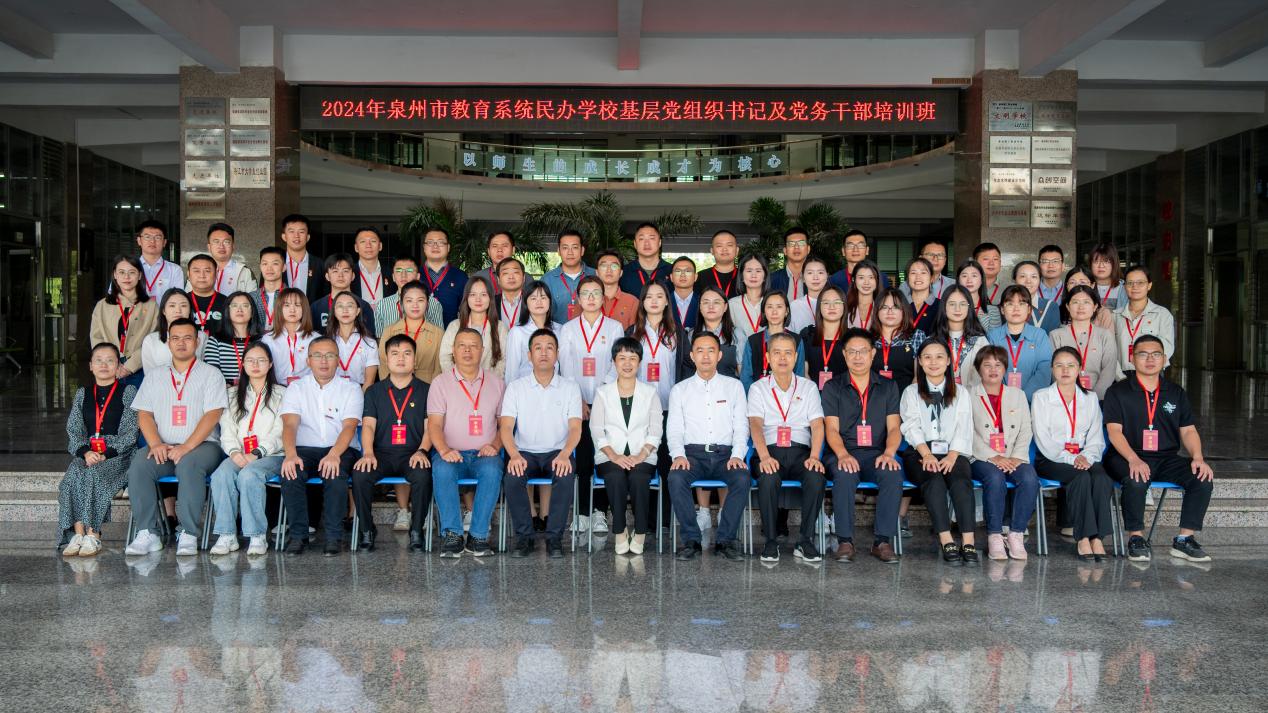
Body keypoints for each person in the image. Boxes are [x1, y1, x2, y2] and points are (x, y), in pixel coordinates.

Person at [1103, 335, 1214, 563]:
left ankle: (1184, 539)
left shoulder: (1175, 392)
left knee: (1201, 477)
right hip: (1126, 456)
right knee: (1136, 479)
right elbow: (1114, 432)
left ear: (1164, 359)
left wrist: (1198, 457)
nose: (1150, 359)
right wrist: (1133, 459)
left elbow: (1188, 431)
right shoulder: (1118, 391)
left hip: (1166, 458)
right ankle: (1136, 538)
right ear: (1132, 358)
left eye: (1156, 354)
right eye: (1143, 354)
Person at [124, 318, 228, 557]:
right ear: (168, 342)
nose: (181, 343)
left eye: (187, 338)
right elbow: (144, 415)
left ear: (197, 341)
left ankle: (189, 533)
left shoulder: (211, 374)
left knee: (189, 464)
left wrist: (187, 447)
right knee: (140, 465)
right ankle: (148, 533)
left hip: (203, 447)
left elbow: (213, 415)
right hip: (164, 446)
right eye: (176, 338)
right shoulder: (155, 376)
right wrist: (155, 444)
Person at [666, 332, 751, 561]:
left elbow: (741, 426)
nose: (705, 356)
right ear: (692, 355)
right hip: (692, 455)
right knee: (676, 478)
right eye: (700, 351)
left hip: (725, 456)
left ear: (719, 355)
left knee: (742, 477)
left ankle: (725, 540)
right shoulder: (680, 390)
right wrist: (678, 455)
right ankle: (691, 540)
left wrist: (737, 455)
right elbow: (674, 429)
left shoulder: (733, 387)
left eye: (711, 350)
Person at [822, 328, 903, 563]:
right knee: (844, 474)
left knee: (892, 473)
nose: (858, 357)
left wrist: (889, 453)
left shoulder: (888, 386)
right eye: (852, 352)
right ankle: (845, 541)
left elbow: (894, 428)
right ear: (844, 355)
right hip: (842, 452)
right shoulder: (833, 387)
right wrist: (842, 454)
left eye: (863, 351)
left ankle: (882, 542)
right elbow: (831, 429)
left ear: (873, 354)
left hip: (877, 453)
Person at [501, 329, 584, 558]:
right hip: (524, 453)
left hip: (558, 452)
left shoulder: (570, 387)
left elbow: (575, 428)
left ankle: (554, 538)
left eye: (549, 348)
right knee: (513, 476)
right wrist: (514, 455)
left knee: (565, 474)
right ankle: (524, 537)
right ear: (529, 355)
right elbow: (506, 427)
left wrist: (566, 454)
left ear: (557, 354)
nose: (544, 353)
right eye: (538, 348)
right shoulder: (516, 387)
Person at [278, 337, 363, 556]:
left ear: (338, 360)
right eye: (317, 355)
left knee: (334, 473)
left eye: (330, 355)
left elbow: (349, 426)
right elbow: (290, 424)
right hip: (305, 449)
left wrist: (334, 454)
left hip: (341, 448)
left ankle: (334, 537)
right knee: (290, 472)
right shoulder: (296, 388)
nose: (323, 361)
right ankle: (298, 535)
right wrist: (290, 455)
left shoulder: (351, 388)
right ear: (308, 360)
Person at [426, 328, 507, 557]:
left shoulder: (497, 383)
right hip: (451, 453)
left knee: (492, 470)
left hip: (484, 454)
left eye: (473, 346)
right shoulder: (440, 383)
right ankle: (453, 534)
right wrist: (444, 450)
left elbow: (505, 425)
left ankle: (478, 536)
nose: (467, 351)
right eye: (462, 345)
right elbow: (434, 425)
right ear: (453, 350)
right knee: (442, 469)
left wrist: (495, 445)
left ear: (482, 350)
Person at [748, 332, 826, 564]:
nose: (782, 358)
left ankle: (805, 540)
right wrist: (764, 457)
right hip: (769, 451)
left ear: (796, 357)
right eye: (777, 353)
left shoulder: (808, 387)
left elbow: (817, 425)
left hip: (801, 452)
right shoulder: (758, 388)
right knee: (768, 478)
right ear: (768, 357)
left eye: (788, 353)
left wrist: (815, 457)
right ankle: (771, 541)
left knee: (816, 477)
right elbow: (755, 425)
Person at [899, 340, 978, 565]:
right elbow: (910, 426)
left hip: (953, 450)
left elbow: (964, 425)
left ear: (949, 361)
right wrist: (926, 454)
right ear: (920, 362)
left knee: (961, 481)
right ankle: (946, 539)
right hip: (920, 451)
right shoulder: (911, 392)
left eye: (939, 357)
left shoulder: (961, 392)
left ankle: (968, 540)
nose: (933, 362)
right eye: (927, 357)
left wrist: (953, 455)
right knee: (933, 480)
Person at [353, 334, 434, 552]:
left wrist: (422, 451)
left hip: (413, 453)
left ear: (415, 359)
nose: (401, 358)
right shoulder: (374, 391)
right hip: (381, 454)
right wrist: (367, 453)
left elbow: (431, 428)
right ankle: (367, 530)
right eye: (395, 353)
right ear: (386, 359)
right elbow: (368, 426)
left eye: (407, 353)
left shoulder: (427, 390)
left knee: (422, 475)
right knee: (360, 475)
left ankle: (416, 530)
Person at [1031, 347, 1113, 561]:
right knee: (1081, 477)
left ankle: (1098, 537)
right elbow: (1043, 439)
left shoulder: (1090, 398)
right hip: (1051, 458)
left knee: (1102, 478)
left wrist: (1087, 457)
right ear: (1052, 369)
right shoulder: (1041, 397)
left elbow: (1096, 437)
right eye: (1059, 365)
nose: (1065, 370)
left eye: (1071, 365)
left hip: (1085, 456)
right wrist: (1073, 458)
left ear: (1079, 369)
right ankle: (1084, 537)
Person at [558, 276, 625, 533]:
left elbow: (616, 365)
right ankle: (582, 513)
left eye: (596, 292)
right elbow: (566, 368)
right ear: (578, 298)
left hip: (606, 403)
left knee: (604, 458)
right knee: (583, 459)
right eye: (585, 293)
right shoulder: (568, 329)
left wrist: (599, 399)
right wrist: (579, 401)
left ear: (603, 297)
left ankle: (599, 512)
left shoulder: (615, 327)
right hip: (578, 405)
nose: (591, 297)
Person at [58, 344, 139, 557]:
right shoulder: (82, 393)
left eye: (110, 360)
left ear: (118, 366)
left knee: (93, 474)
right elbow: (74, 429)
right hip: (88, 452)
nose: (104, 365)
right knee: (71, 477)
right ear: (91, 366)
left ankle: (93, 534)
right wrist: (85, 452)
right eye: (99, 360)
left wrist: (106, 454)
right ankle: (78, 534)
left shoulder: (128, 391)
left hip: (118, 455)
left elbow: (131, 431)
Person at [207, 342, 285, 557]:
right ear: (243, 364)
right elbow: (227, 430)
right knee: (221, 474)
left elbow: (281, 431)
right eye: (250, 360)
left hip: (273, 455)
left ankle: (257, 535)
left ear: (270, 364)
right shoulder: (232, 394)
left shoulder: (282, 393)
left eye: (261, 360)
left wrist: (257, 453)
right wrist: (234, 452)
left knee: (250, 475)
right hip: (239, 454)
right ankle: (227, 534)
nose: (255, 365)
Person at [591, 337, 663, 556]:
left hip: (643, 454)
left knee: (639, 478)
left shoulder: (650, 392)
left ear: (639, 362)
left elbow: (655, 430)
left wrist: (641, 454)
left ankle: (640, 532)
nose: (627, 363)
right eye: (622, 358)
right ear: (614, 362)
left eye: (633, 358)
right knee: (615, 476)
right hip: (609, 455)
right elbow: (596, 430)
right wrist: (614, 456)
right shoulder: (602, 393)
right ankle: (620, 531)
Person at [968, 346, 1038, 561]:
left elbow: (1026, 429)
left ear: (1005, 368)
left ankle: (1016, 533)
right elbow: (966, 432)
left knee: (1029, 478)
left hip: (1013, 455)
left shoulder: (1017, 395)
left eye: (998, 365)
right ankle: (995, 535)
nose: (993, 370)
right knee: (995, 477)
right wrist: (993, 456)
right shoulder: (968, 395)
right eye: (987, 365)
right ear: (978, 369)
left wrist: (1016, 457)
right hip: (981, 456)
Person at [90, 255, 157, 386]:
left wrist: (130, 366)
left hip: (139, 367)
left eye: (132, 272)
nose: (126, 277)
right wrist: (109, 361)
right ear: (115, 275)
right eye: (121, 272)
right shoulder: (102, 305)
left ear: (139, 275)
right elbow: (96, 338)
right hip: (109, 368)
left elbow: (153, 340)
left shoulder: (151, 306)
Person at [1049, 285, 1120, 399]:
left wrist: (1094, 398)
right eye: (1075, 302)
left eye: (1086, 302)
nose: (1081, 307)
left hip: (1098, 399)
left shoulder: (1105, 335)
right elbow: (1053, 371)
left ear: (1095, 306)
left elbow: (1109, 371)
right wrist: (1067, 395)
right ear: (1068, 306)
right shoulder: (1056, 335)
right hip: (1064, 398)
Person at [986, 285, 1054, 401]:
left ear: (1029, 309)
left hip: (1033, 401)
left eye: (1022, 304)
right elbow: (988, 370)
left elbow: (1044, 371)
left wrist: (1023, 397)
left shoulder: (1040, 335)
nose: (1016, 309)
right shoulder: (992, 336)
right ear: (1002, 309)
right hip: (999, 402)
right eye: (1010, 304)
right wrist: (1004, 397)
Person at [439, 275, 508, 377]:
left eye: (483, 294)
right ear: (466, 298)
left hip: (490, 384)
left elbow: (503, 360)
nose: (478, 299)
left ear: (490, 298)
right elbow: (445, 357)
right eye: (473, 294)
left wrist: (489, 382)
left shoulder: (500, 327)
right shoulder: (455, 326)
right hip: (458, 383)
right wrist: (458, 380)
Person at [377, 281, 444, 383]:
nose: (415, 305)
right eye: (409, 301)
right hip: (395, 388)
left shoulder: (438, 333)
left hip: (428, 386)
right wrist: (390, 388)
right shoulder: (389, 331)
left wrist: (432, 390)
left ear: (427, 303)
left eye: (420, 300)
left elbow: (439, 368)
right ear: (402, 303)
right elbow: (383, 365)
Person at [1114, 265, 1175, 374]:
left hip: (1152, 374)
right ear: (1124, 286)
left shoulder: (1162, 314)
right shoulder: (1115, 316)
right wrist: (1119, 377)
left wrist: (1150, 371)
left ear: (1149, 285)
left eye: (1140, 283)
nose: (1135, 287)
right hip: (1121, 375)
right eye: (1130, 283)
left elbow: (1167, 348)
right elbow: (1110, 351)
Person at [739, 291, 805, 391]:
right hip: (758, 397)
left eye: (779, 307)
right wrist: (755, 397)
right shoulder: (753, 341)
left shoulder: (797, 340)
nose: (774, 312)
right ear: (764, 311)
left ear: (786, 311)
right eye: (769, 307)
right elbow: (746, 378)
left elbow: (799, 375)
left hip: (788, 396)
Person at [931, 285, 989, 389]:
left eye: (962, 304)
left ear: (969, 307)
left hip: (973, 397)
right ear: (944, 307)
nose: (957, 309)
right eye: (952, 304)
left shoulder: (981, 341)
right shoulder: (932, 341)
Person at [260, 287, 320, 385]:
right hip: (277, 389)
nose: (292, 310)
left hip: (307, 389)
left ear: (304, 309)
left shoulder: (315, 339)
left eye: (297, 305)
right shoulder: (268, 339)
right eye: (287, 305)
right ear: (279, 308)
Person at [505, 282, 561, 382]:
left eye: (543, 298)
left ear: (550, 301)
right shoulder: (517, 332)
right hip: (525, 388)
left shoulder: (560, 330)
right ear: (526, 303)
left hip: (555, 387)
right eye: (533, 298)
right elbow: (511, 370)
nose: (539, 302)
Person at [202, 291, 261, 386]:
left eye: (245, 306)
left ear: (252, 312)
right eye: (234, 306)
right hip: (224, 391)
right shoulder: (215, 341)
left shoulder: (261, 341)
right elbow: (212, 374)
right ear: (227, 311)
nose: (239, 309)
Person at [374, 256, 446, 334]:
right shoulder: (382, 305)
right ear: (393, 277)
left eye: (409, 270)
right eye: (399, 270)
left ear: (418, 276)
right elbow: (379, 338)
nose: (403, 275)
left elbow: (439, 336)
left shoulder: (433, 304)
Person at [141, 289, 206, 374]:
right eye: (172, 306)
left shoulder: (202, 337)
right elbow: (150, 376)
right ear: (163, 311)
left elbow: (207, 371)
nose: (178, 310)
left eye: (183, 306)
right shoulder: (150, 340)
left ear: (190, 310)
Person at [871, 287, 926, 386]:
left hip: (906, 393)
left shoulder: (916, 336)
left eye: (895, 307)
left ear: (904, 310)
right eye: (884, 307)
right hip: (873, 394)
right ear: (877, 311)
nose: (890, 312)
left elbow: (919, 377)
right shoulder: (868, 338)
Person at [541, 230, 596, 324]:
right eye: (565, 248)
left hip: (591, 332)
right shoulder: (547, 280)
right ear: (559, 251)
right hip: (557, 332)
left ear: (582, 250)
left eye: (575, 247)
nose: (570, 252)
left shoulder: (595, 275)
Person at [311, 253, 373, 333]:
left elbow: (369, 337)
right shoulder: (316, 307)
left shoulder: (363, 306)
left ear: (353, 276)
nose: (340, 275)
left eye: (345, 271)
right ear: (327, 276)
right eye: (335, 271)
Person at [328, 291, 379, 388]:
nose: (345, 310)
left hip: (360, 391)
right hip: (331, 391)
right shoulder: (327, 342)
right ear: (334, 311)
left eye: (350, 306)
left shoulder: (369, 343)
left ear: (357, 311)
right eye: (340, 306)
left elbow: (369, 381)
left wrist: (359, 397)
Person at [801, 286, 847, 390]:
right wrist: (814, 395)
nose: (832, 307)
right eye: (826, 303)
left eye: (837, 302)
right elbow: (804, 372)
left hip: (845, 396)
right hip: (813, 395)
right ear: (819, 307)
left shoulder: (853, 337)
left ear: (844, 306)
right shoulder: (807, 335)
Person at [421, 227, 470, 325]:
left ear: (448, 248)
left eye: (440, 242)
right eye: (430, 242)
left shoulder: (461, 277)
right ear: (424, 248)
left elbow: (467, 310)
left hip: (451, 332)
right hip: (419, 333)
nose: (435, 246)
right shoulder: (415, 275)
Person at [690, 286, 740, 378]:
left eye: (716, 302)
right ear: (700, 307)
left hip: (729, 386)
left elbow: (742, 372)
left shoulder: (737, 334)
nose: (711, 307)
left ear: (725, 307)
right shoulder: (691, 335)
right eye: (706, 302)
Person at [198, 223, 257, 296]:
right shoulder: (197, 271)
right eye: (216, 242)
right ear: (209, 247)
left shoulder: (245, 272)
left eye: (226, 242)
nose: (221, 246)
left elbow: (253, 299)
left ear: (233, 246)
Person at [280, 213, 327, 302]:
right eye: (291, 231)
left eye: (301, 232)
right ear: (284, 236)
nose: (296, 236)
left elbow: (326, 296)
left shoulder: (319, 265)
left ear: (308, 237)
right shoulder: (275, 264)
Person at [134, 219, 184, 303]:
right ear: (139, 241)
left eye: (157, 237)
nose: (152, 241)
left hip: (163, 312)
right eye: (147, 237)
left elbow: (178, 299)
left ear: (164, 242)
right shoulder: (129, 268)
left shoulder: (175, 270)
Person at [471, 231, 533, 295]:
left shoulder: (527, 278)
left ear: (513, 250)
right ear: (489, 251)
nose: (499, 250)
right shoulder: (478, 277)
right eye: (495, 246)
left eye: (505, 246)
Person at [619, 222, 672, 296]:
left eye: (652, 238)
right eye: (641, 239)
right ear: (635, 244)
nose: (647, 243)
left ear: (659, 242)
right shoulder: (624, 273)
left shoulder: (671, 271)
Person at [729, 254, 769, 344]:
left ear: (765, 276)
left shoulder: (773, 303)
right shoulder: (732, 305)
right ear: (741, 276)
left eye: (758, 271)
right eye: (749, 271)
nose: (753, 275)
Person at [593, 250, 639, 329]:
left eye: (614, 266)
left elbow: (636, 333)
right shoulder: (585, 299)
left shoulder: (633, 302)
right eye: (604, 266)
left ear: (621, 273)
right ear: (597, 272)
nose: (609, 270)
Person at [350, 227, 394, 307]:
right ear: (356, 248)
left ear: (380, 246)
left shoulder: (390, 273)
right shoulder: (349, 274)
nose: (368, 245)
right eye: (363, 241)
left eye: (373, 241)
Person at [1013, 260, 1060, 333]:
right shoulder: (1006, 306)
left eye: (1033, 277)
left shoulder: (1051, 306)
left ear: (1040, 280)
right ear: (1015, 280)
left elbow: (1053, 336)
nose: (1028, 281)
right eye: (1023, 276)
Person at [186, 253, 228, 334]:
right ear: (188, 274)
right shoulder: (182, 301)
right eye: (196, 271)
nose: (202, 275)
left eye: (207, 271)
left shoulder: (227, 303)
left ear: (216, 274)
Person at [956, 259, 1002, 331]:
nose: (969, 280)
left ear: (981, 280)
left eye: (974, 276)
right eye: (964, 276)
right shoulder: (951, 307)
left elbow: (994, 337)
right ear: (958, 280)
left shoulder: (992, 311)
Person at [787, 256, 830, 332]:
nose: (815, 277)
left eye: (820, 272)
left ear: (827, 276)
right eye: (810, 273)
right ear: (803, 278)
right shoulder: (795, 306)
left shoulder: (836, 304)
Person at [900, 257, 941, 334]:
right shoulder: (899, 305)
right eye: (913, 273)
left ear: (932, 278)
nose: (918, 277)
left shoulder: (941, 305)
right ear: (908, 278)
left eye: (923, 273)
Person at [768, 228, 811, 299]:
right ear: (785, 251)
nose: (796, 247)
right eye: (791, 244)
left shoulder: (818, 280)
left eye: (801, 243)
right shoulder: (772, 279)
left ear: (808, 249)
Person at [252, 246, 287, 333]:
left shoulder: (292, 296)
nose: (269, 268)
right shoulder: (251, 297)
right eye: (265, 264)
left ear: (284, 267)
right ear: (260, 267)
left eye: (275, 264)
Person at [697, 230, 741, 298]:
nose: (724, 249)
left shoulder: (745, 276)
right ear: (712, 251)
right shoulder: (700, 277)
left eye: (729, 245)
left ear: (737, 250)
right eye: (719, 246)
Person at [844, 260, 882, 330]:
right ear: (853, 279)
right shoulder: (845, 307)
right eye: (861, 277)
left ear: (877, 280)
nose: (866, 282)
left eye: (871, 277)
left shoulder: (883, 307)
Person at [493, 257, 529, 327]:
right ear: (498, 279)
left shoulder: (532, 301)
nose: (511, 277)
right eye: (505, 273)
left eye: (516, 272)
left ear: (524, 278)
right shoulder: (491, 302)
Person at [1089, 243, 1125, 311]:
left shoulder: (1124, 289)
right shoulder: (1085, 287)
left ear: (1114, 264)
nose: (1101, 266)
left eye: (1106, 261)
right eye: (1096, 261)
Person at [668, 256, 701, 329]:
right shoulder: (664, 302)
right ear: (671, 277)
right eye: (678, 271)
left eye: (688, 271)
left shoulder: (703, 302)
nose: (682, 275)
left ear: (695, 277)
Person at [972, 242, 1006, 306]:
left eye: (995, 259)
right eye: (986, 259)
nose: (991, 263)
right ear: (975, 263)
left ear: (1000, 263)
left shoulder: (1008, 289)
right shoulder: (965, 287)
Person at [1036, 244, 1066, 313]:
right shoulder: (1031, 290)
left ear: (1063, 266)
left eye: (1055, 261)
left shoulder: (1069, 290)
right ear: (1039, 266)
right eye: (1045, 261)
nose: (1050, 266)